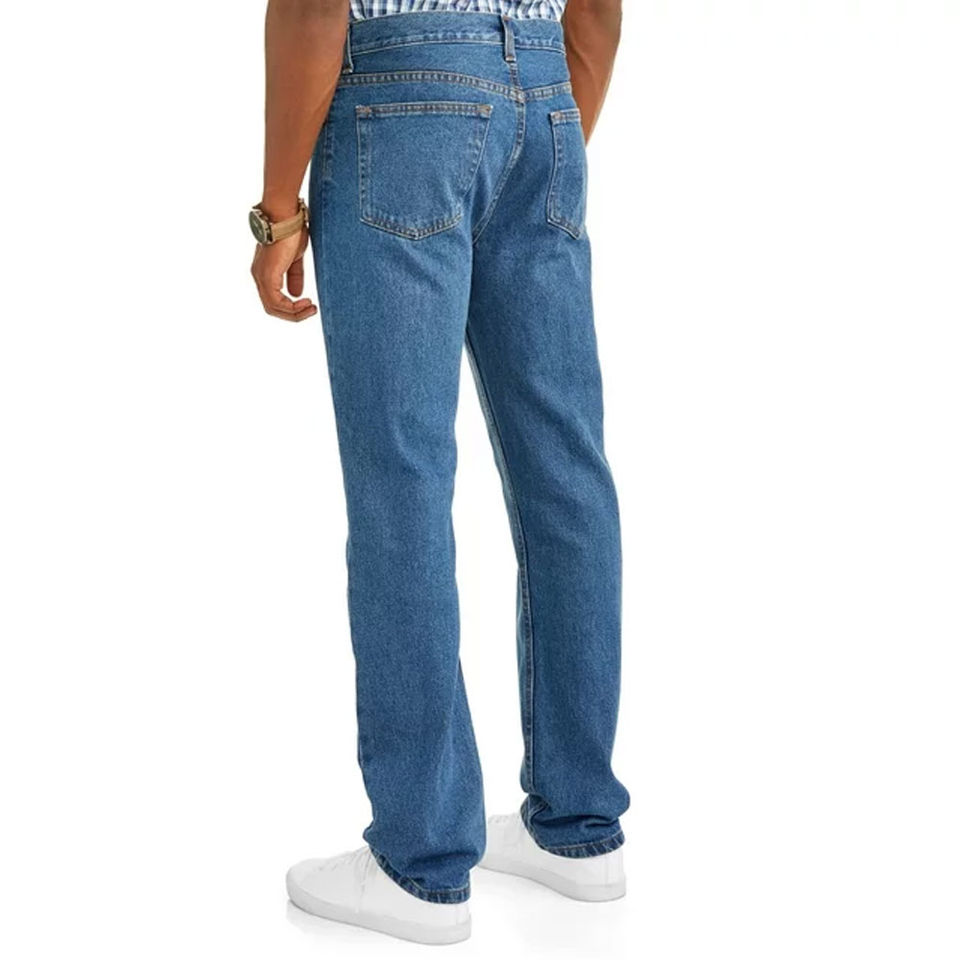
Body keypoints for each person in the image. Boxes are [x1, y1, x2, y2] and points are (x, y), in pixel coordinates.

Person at [249, 0, 628, 944]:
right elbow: (598, 12)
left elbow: (313, 7)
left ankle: (419, 863)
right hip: (543, 95)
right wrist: (528, 131)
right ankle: (580, 826)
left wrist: (277, 211)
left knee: (402, 483)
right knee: (566, 474)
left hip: (399, 100)